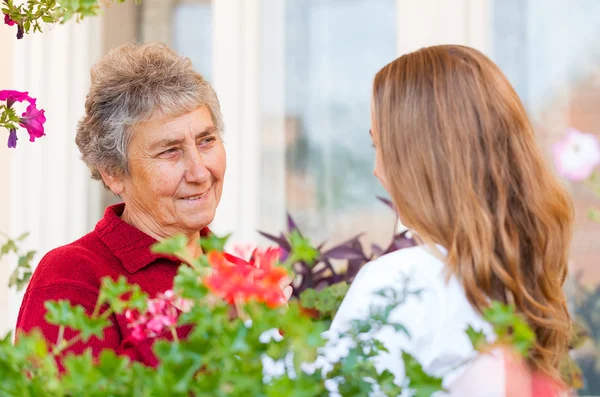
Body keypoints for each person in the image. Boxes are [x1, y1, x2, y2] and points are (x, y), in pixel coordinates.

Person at [329, 45, 573, 396]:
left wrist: (254, 326)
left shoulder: (402, 281)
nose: (376, 169)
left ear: (421, 157)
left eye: (380, 146)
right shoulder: (510, 284)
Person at [17, 42, 231, 367]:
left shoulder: (237, 274)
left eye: (207, 140)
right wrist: (202, 328)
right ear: (114, 173)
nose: (200, 172)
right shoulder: (74, 275)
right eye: (170, 150)